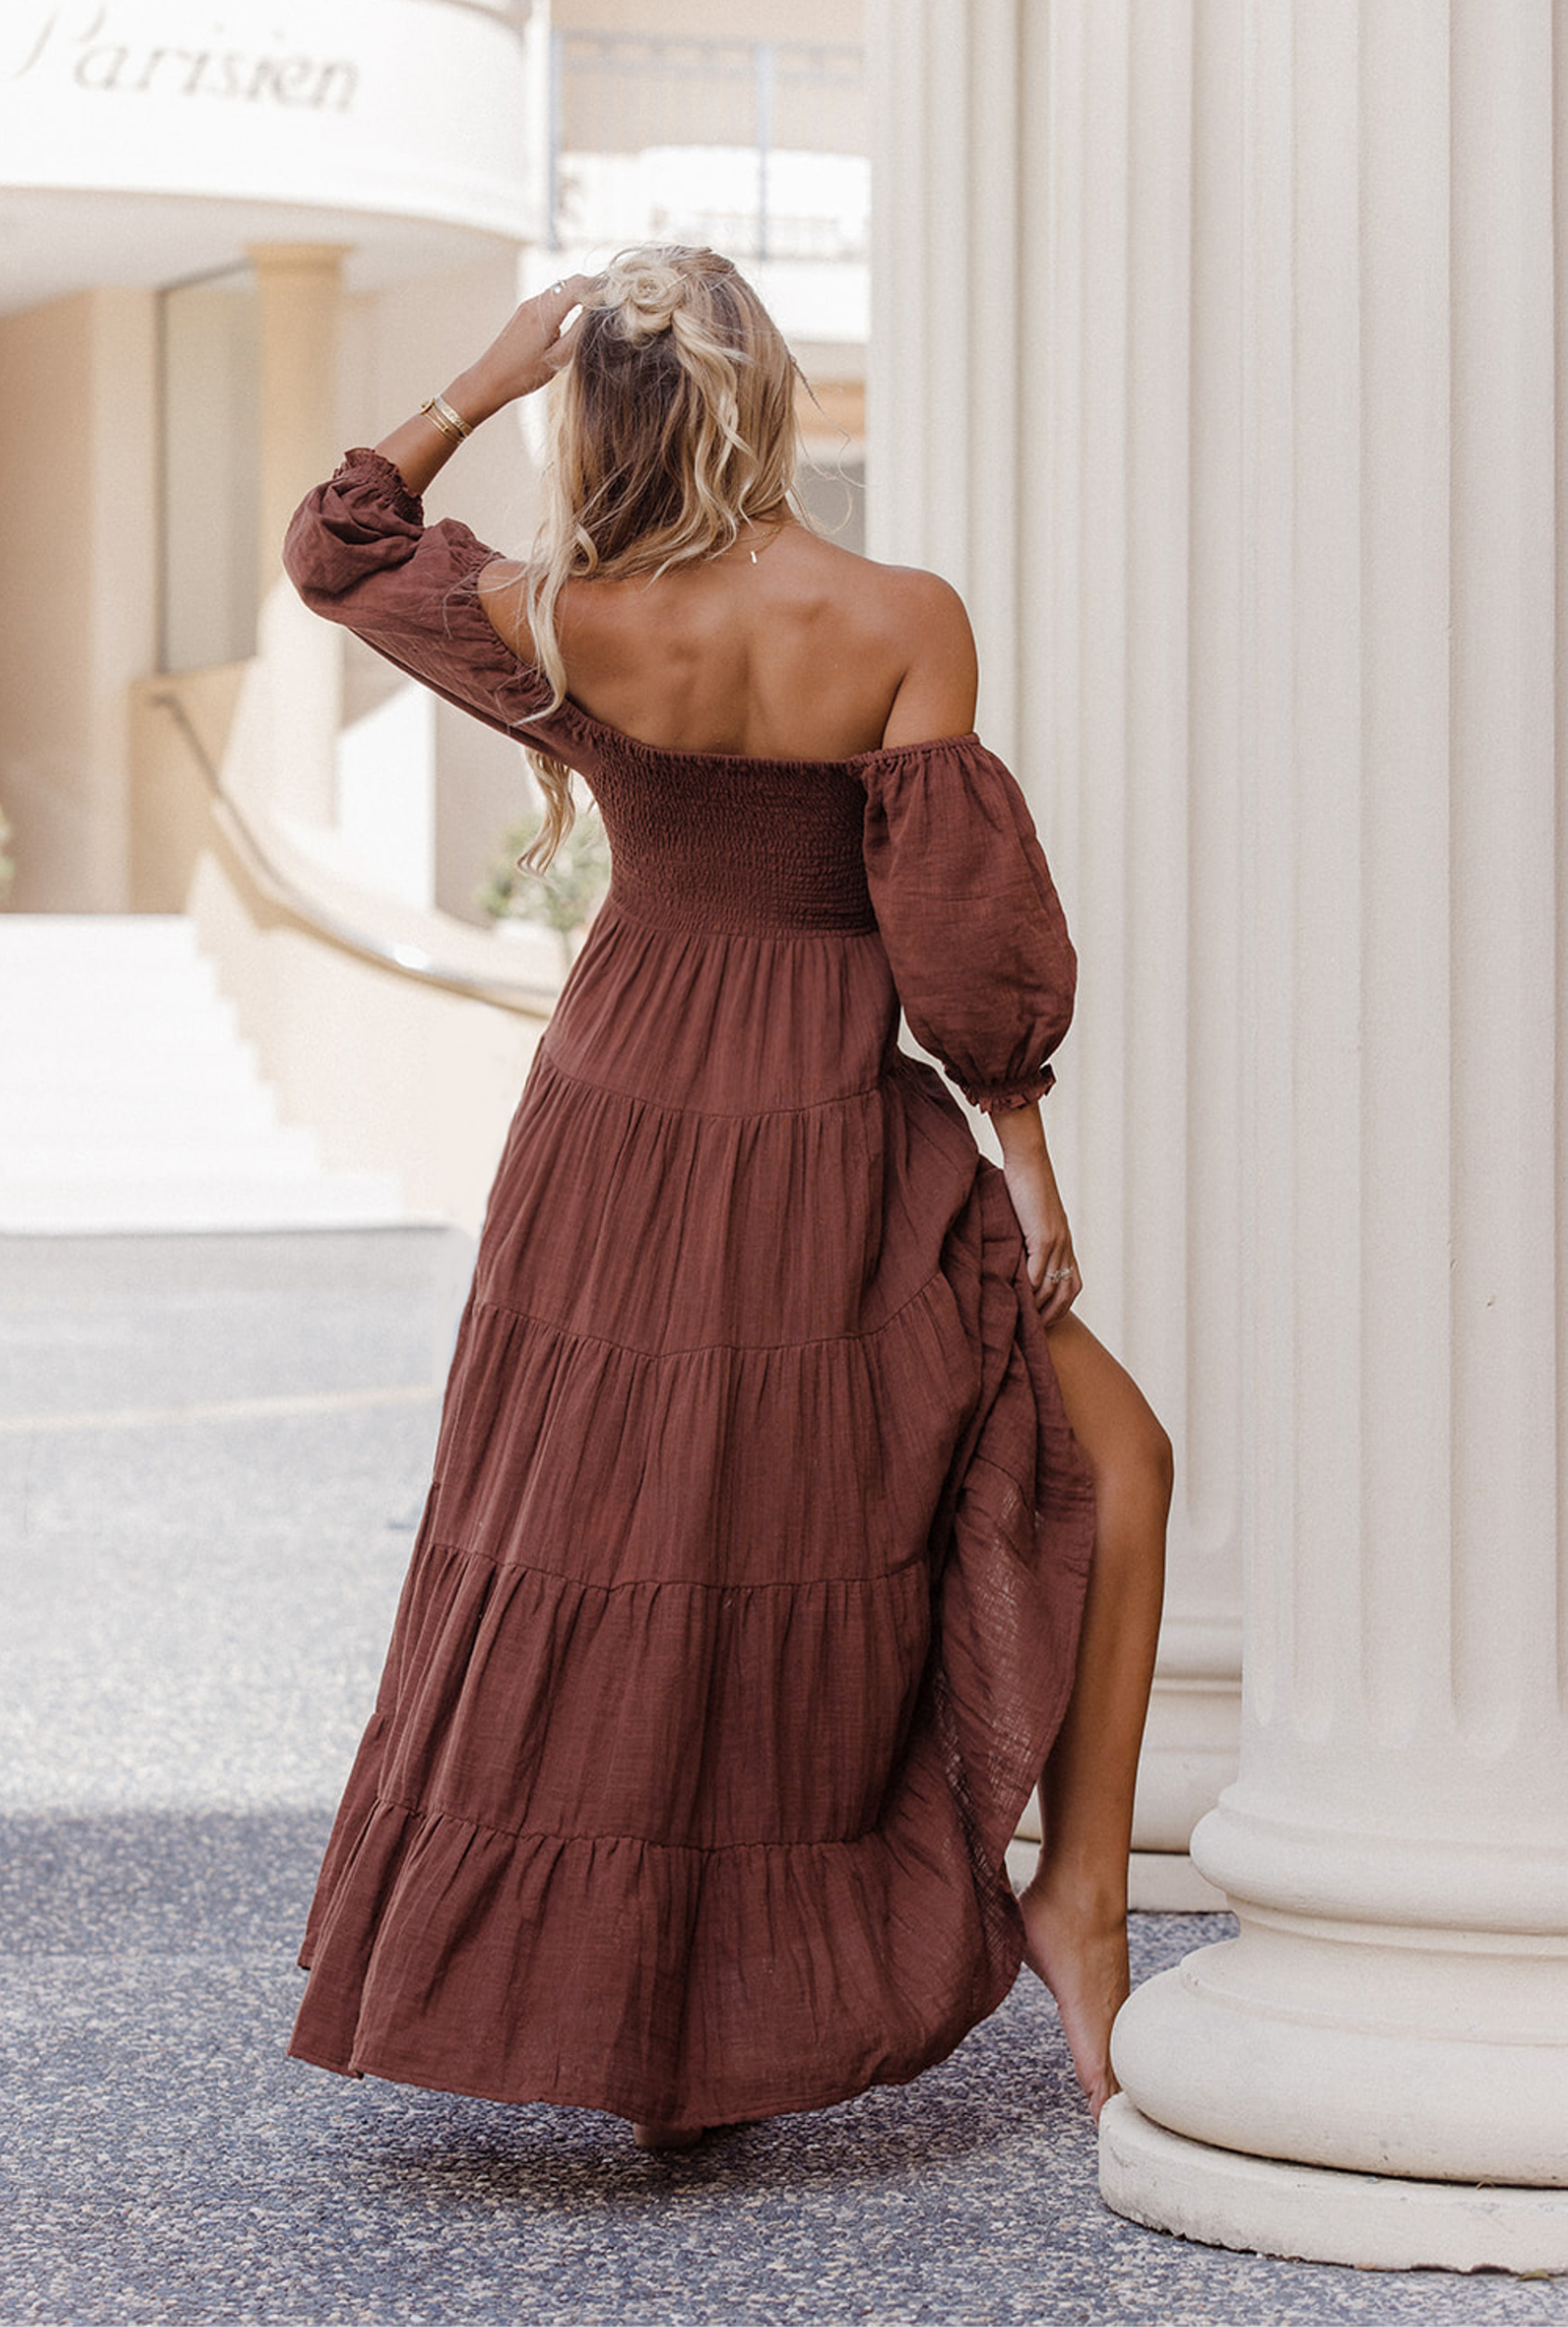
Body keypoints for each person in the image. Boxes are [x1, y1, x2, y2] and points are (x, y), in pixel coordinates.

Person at [281, 248, 1172, 2149]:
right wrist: (1022, 1137)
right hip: (820, 1101)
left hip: (616, 1107)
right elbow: (960, 928)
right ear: (769, 398)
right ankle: (1078, 1899)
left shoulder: (556, 611)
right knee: (1089, 1464)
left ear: (597, 405)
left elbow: (339, 546)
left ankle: (694, 2007)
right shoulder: (899, 612)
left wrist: (482, 378)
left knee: (643, 1537)